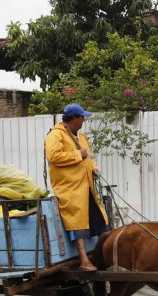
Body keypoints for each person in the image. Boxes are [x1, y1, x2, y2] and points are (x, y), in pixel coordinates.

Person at [44, 103, 109, 271]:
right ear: (74, 119)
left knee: (99, 221)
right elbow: (54, 156)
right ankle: (84, 261)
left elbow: (89, 158)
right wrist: (78, 154)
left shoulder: (82, 137)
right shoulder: (56, 135)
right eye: (82, 118)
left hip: (86, 186)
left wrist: (93, 168)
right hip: (70, 188)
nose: (84, 121)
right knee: (77, 223)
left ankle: (104, 257)